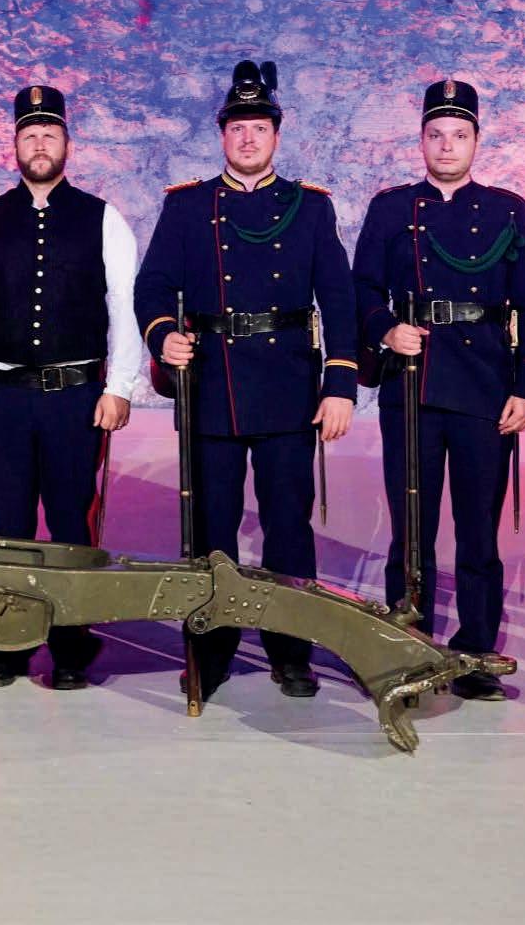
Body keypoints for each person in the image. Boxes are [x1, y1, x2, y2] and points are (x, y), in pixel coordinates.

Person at [132, 59, 358, 700]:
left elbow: (338, 300)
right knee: (212, 530)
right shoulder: (187, 206)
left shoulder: (310, 207)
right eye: (238, 128)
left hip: (288, 388)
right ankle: (211, 648)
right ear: (222, 135)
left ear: (276, 135)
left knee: (288, 528)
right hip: (213, 387)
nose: (248, 138)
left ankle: (292, 652)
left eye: (259, 127)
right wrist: (162, 334)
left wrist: (340, 384)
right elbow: (152, 287)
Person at [0, 85, 141, 690]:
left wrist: (120, 386)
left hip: (75, 397)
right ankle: (9, 645)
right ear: (16, 145)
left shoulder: (102, 217)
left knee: (71, 521)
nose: (39, 144)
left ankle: (72, 646)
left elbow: (124, 306)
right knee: (6, 522)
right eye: (30, 135)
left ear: (67, 144)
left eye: (49, 134)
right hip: (2, 396)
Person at [350, 79, 525, 701]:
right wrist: (385, 329)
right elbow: (360, 288)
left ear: (477, 141)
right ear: (422, 141)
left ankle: (476, 651)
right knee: (412, 528)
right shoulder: (391, 207)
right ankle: (407, 648)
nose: (447, 145)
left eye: (459, 135)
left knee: (479, 532)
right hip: (413, 386)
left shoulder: (508, 210)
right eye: (436, 135)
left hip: (485, 385)